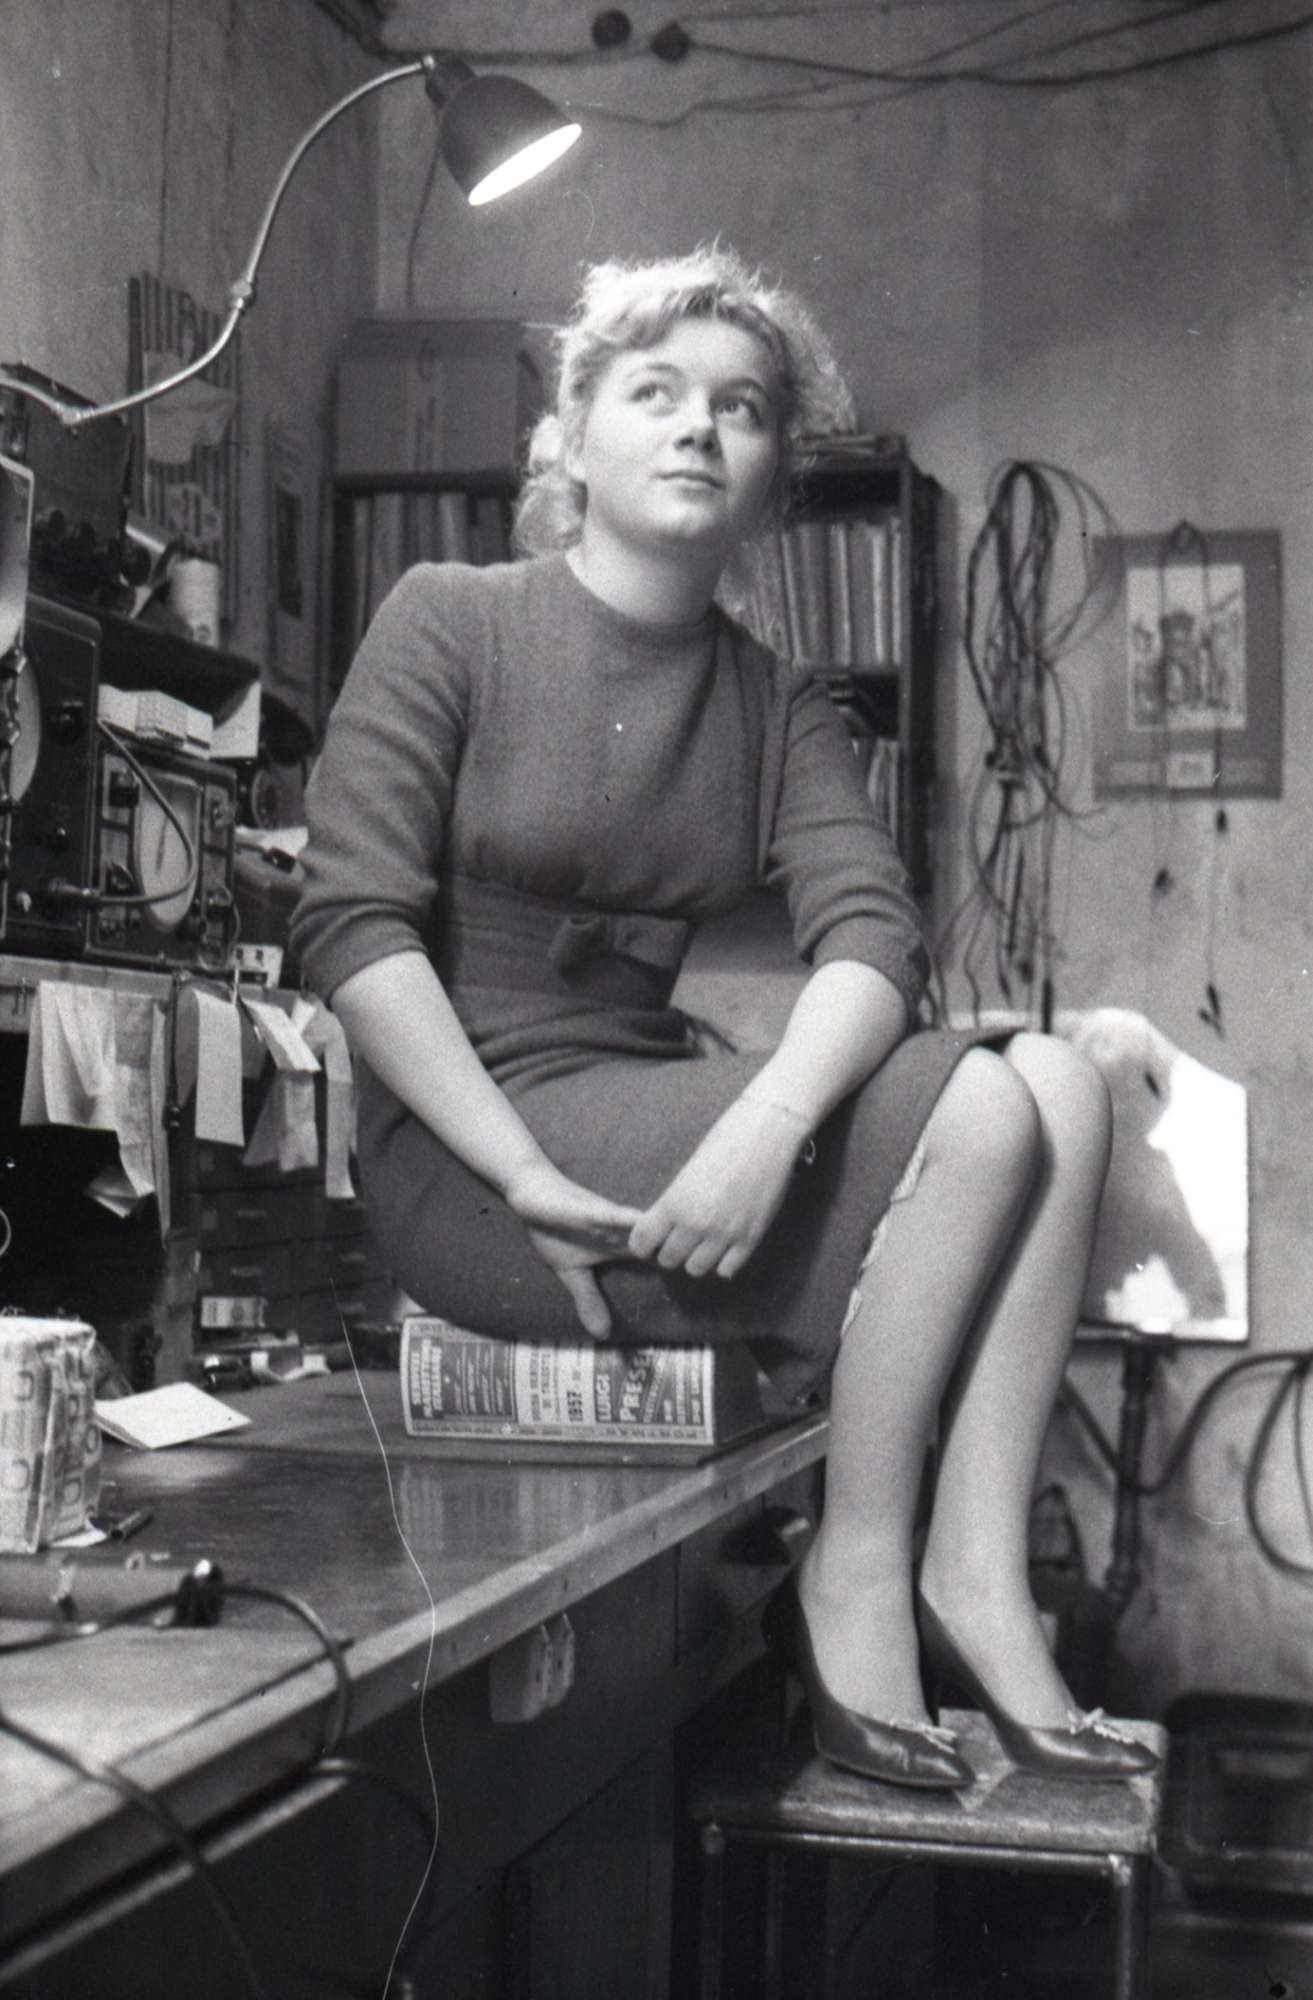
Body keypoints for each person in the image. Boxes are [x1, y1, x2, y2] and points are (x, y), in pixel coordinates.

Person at [291, 245, 1155, 1791]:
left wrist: (770, 1124)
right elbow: (352, 929)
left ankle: (971, 1574)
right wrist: (518, 1173)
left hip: (647, 1119)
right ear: (569, 440)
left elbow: (874, 938)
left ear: (769, 479)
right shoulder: (451, 618)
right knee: (981, 1105)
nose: (700, 425)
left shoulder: (776, 699)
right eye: (656, 392)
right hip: (471, 1155)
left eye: (742, 407)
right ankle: (853, 1575)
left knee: (1064, 1090)